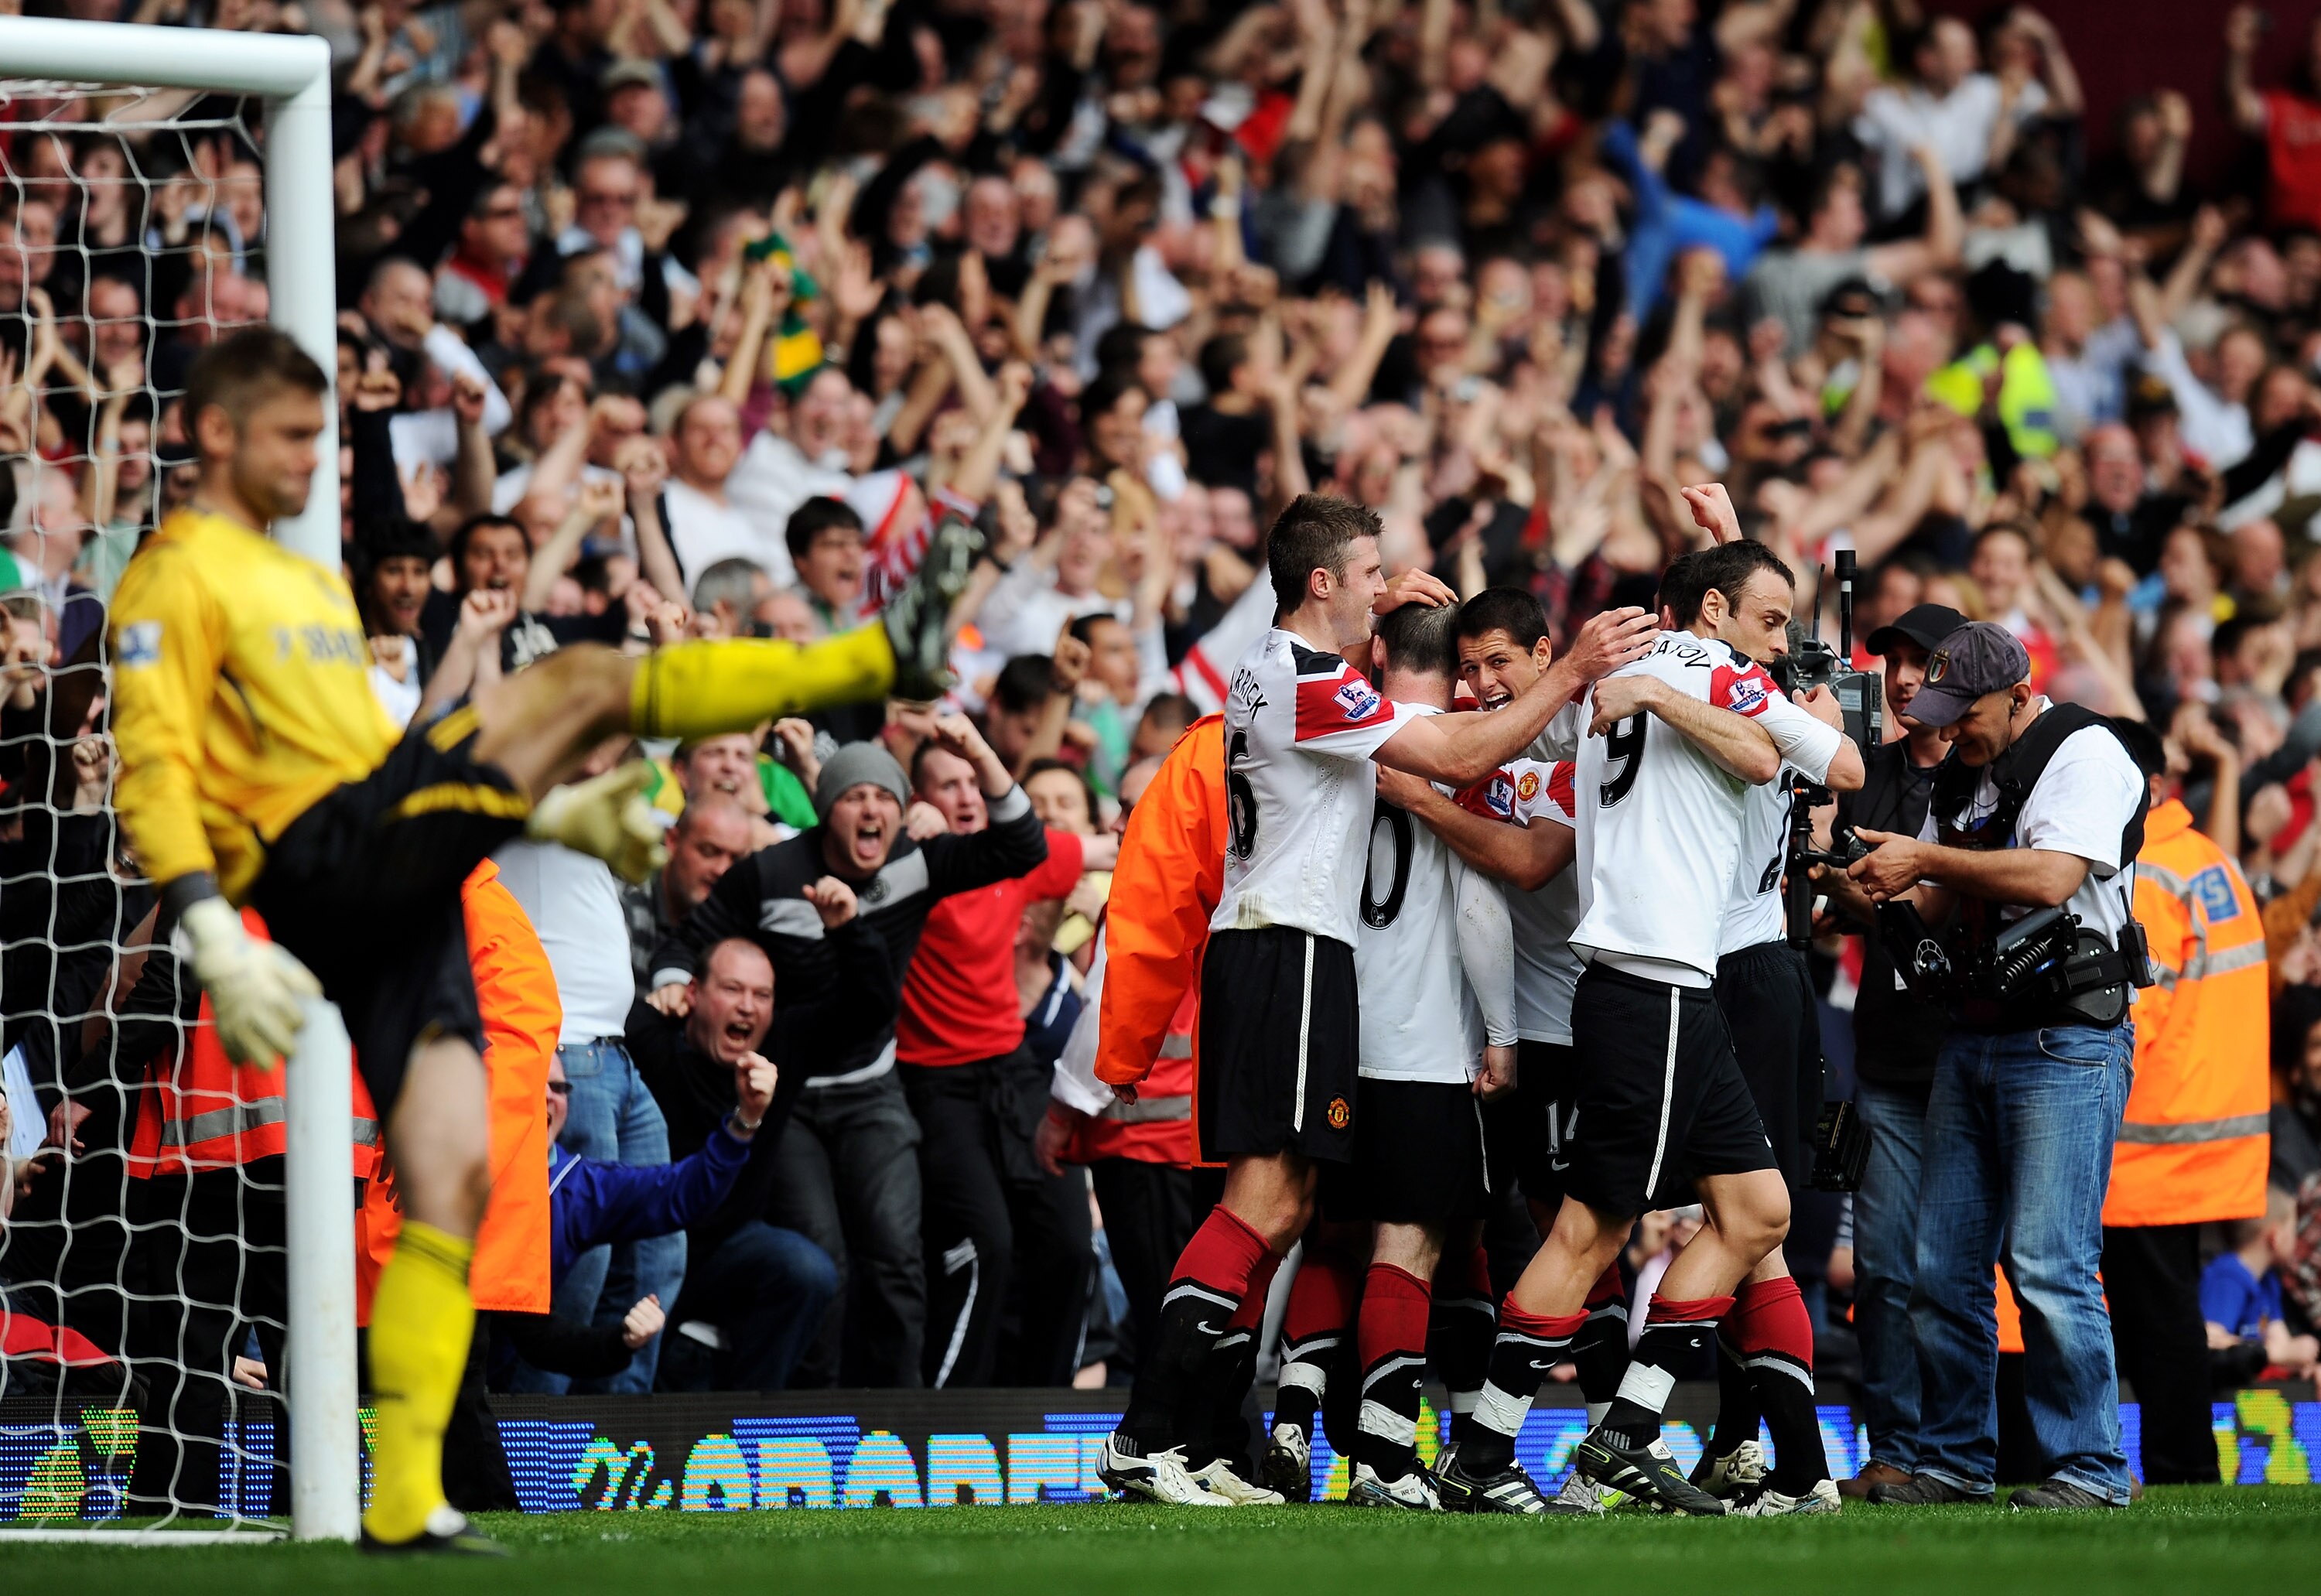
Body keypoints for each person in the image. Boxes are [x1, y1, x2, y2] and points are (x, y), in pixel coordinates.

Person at [101, 325, 972, 1554]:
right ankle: (874, 655)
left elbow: (381, 758)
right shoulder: (175, 578)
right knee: (571, 682)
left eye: (319, 434)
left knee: (449, 1187)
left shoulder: (303, 586)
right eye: (295, 435)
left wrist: (548, 809)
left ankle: (406, 1496)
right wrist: (207, 924)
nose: (311, 459)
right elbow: (155, 768)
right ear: (220, 436)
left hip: (388, 861)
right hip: (303, 866)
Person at [1095, 493, 1656, 1506]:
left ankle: (1206, 1437)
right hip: (1290, 955)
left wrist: (1374, 600)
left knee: (1298, 1207)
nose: (1381, 588)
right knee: (1269, 1205)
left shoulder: (1271, 666)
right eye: (1366, 573)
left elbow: (1354, 665)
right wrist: (1570, 670)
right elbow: (1452, 753)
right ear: (1322, 584)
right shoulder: (1313, 685)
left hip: (1280, 954)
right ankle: (1148, 1434)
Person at [1432, 486, 1798, 1519]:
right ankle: (1482, 1452)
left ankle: (1623, 1436)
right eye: (1761, 618)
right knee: (1591, 1229)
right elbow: (1796, 738)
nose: (1775, 643)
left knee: (1757, 1208)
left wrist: (1723, 562)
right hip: (1649, 981)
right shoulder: (1678, 688)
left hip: (1684, 989)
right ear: (1714, 620)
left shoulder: (1630, 681)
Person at [1838, 620, 2149, 1510]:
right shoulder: (1964, 771)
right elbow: (1936, 900)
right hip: (1972, 1030)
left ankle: (2089, 1466)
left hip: (2067, 1036)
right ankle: (1953, 1460)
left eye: (1962, 712)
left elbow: (2053, 877)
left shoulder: (2086, 750)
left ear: (2018, 693)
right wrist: (1861, 881)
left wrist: (1924, 856)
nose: (1948, 730)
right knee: (1942, 1267)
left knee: (2049, 1262)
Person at [646, 723, 1049, 1388]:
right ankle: (817, 1429)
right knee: (821, 1259)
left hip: (873, 1087)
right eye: (854, 796)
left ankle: (901, 1429)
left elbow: (1023, 844)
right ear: (823, 806)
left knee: (896, 1255)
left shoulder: (916, 859)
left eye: (884, 797)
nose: (872, 810)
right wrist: (669, 985)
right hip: (791, 1098)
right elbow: (689, 941)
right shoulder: (771, 872)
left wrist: (979, 750)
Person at [1330, 600, 1520, 1512]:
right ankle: (1384, 1459)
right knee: (1412, 1246)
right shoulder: (1457, 750)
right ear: (1455, 674)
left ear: (1374, 654)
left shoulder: (1335, 730)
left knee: (1341, 1239)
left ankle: (1304, 1426)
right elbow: (1482, 913)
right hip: (1420, 1043)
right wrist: (1502, 1031)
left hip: (1337, 1035)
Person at [2101, 719, 2270, 1485]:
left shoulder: (2151, 872)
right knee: (2165, 1309)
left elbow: (2140, 1012)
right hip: (2207, 1134)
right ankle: (2182, 1459)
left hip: (2151, 1140)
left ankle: (2179, 1462)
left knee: (2154, 1317)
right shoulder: (2208, 861)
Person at [1826, 600, 1964, 1500]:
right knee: (1882, 1268)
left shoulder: (1993, 781)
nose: (1905, 678)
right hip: (1885, 1059)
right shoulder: (1863, 772)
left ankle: (1962, 1450)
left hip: (1971, 1056)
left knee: (1960, 1273)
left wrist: (1876, 883)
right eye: (1893, 663)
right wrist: (1856, 885)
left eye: (1922, 662)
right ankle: (1894, 1449)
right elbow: (1827, 878)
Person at [627, 935, 856, 1391]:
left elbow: (867, 1004)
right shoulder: (652, 1042)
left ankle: (749, 1426)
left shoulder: (780, 1054)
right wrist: (656, 1006)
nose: (748, 1007)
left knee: (807, 1270)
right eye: (732, 989)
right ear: (693, 994)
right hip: (645, 1245)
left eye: (762, 995)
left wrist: (849, 928)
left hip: (728, 1247)